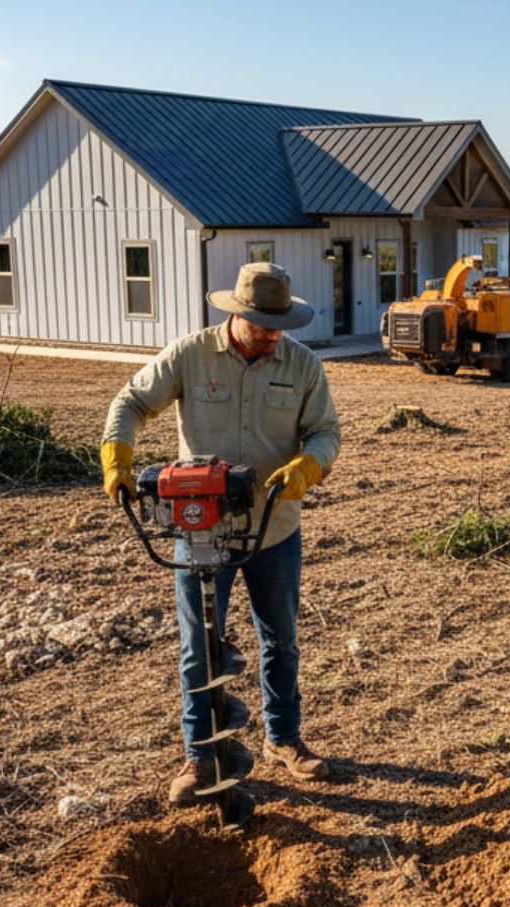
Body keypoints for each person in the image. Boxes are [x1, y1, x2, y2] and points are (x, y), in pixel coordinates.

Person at [100, 262, 340, 802]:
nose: (271, 333)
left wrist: (308, 466)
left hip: (272, 530)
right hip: (199, 530)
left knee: (280, 640)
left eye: (279, 323)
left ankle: (284, 739)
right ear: (234, 313)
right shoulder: (189, 354)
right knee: (197, 649)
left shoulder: (302, 366)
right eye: (260, 323)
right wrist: (118, 458)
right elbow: (131, 403)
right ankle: (202, 756)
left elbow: (324, 431)